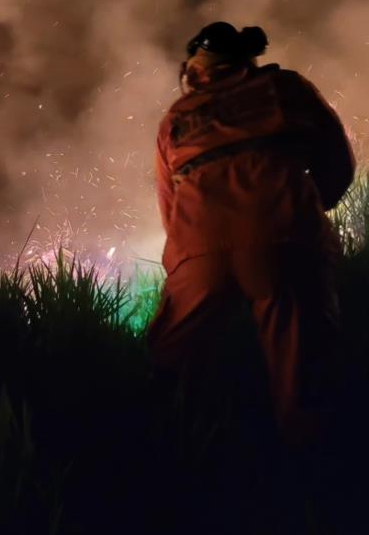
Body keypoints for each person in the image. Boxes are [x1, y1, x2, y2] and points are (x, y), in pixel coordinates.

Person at [148, 22, 354, 445]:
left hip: (199, 249)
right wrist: (313, 207)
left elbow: (169, 206)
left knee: (174, 366)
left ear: (195, 71)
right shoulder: (284, 89)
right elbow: (337, 161)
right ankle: (313, 486)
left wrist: (191, 256)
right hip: (283, 233)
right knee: (303, 372)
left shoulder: (177, 118)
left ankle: (174, 467)